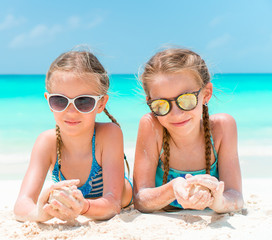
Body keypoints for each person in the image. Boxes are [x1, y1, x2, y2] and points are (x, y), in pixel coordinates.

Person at [14, 50, 132, 222]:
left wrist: (82, 207)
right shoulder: (47, 142)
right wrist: (39, 213)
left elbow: (113, 204)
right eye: (60, 100)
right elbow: (21, 204)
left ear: (101, 104)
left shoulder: (108, 134)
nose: (71, 111)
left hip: (118, 198)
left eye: (84, 101)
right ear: (49, 101)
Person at [133, 48, 243, 213]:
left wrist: (218, 201)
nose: (176, 114)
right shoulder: (151, 125)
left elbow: (235, 195)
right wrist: (173, 188)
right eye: (161, 104)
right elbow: (141, 199)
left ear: (206, 94)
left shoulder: (222, 128)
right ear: (150, 102)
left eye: (186, 100)